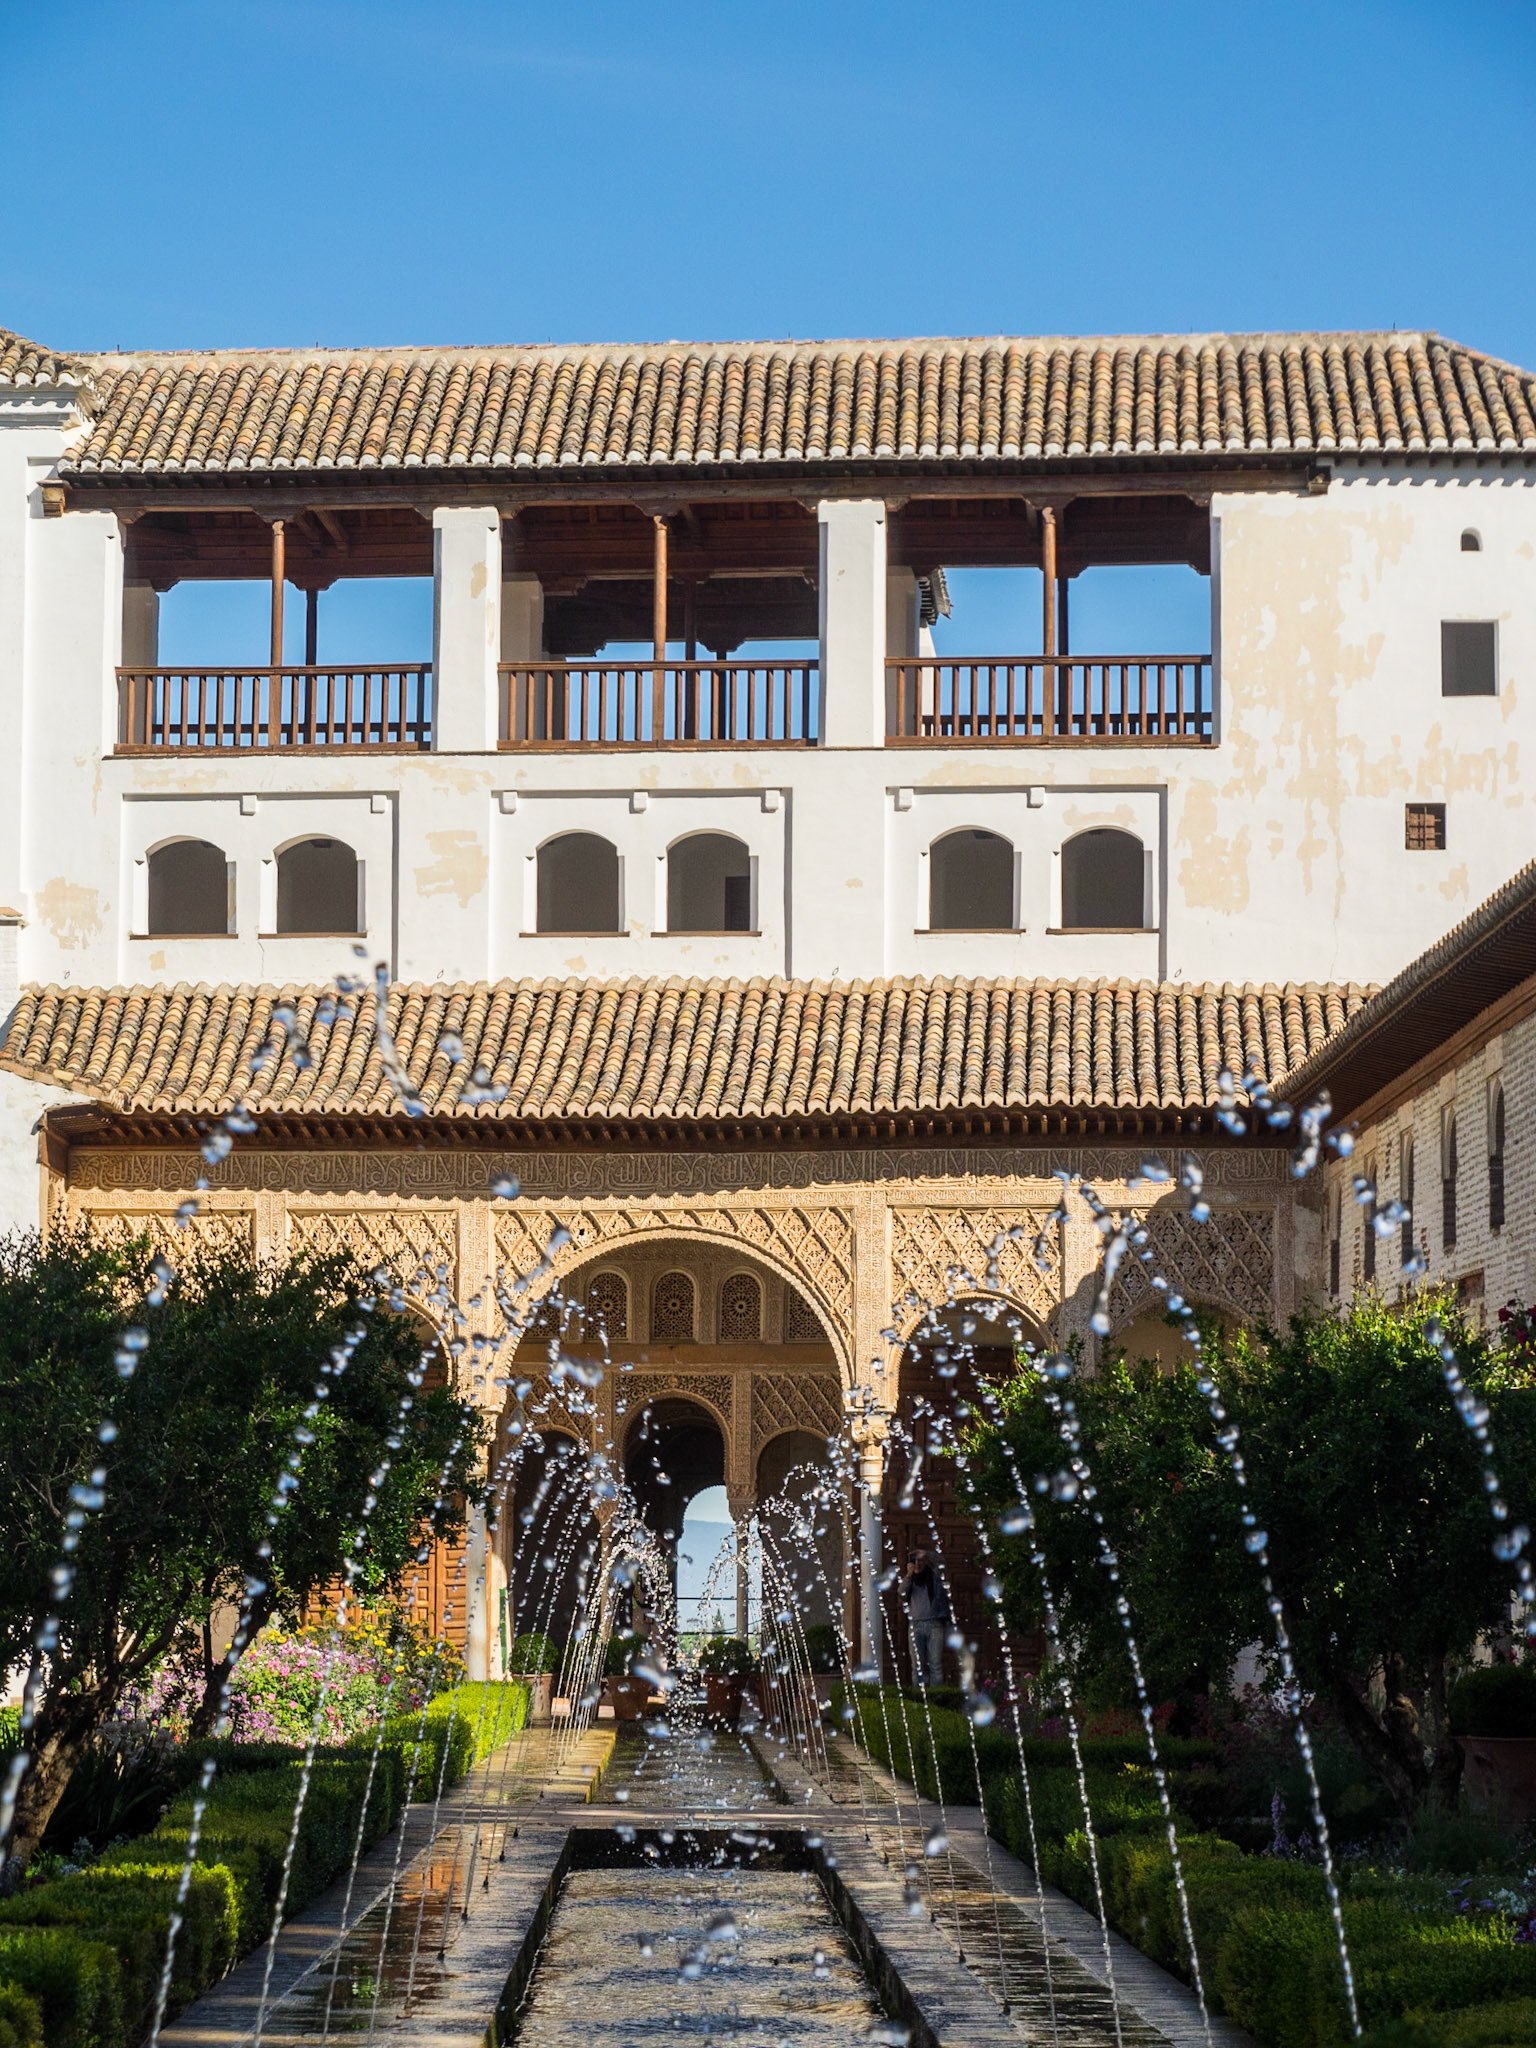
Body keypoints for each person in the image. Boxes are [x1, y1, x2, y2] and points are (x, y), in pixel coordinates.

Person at [902, 1547, 950, 1686]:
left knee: (935, 1664)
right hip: (915, 1625)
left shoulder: (933, 1577)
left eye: (920, 1561)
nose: (917, 1563)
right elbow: (901, 1592)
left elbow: (942, 1562)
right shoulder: (910, 1580)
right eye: (914, 1561)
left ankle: (936, 1698)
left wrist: (926, 1554)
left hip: (934, 1624)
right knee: (917, 1666)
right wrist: (909, 1575)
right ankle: (919, 1698)